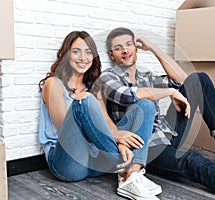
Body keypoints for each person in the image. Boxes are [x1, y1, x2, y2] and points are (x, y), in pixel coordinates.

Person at [93, 27, 215, 200]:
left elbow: (183, 80)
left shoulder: (145, 76)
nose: (125, 50)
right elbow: (129, 96)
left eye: (128, 44)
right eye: (118, 48)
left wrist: (155, 49)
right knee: (196, 163)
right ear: (111, 54)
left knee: (199, 79)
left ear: (136, 48)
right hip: (147, 147)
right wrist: (171, 92)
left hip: (168, 133)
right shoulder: (108, 77)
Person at [38, 30, 162, 200]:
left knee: (145, 105)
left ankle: (132, 175)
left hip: (97, 160)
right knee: (84, 101)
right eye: (76, 51)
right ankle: (125, 168)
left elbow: (106, 122)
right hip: (68, 162)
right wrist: (116, 140)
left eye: (88, 52)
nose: (83, 57)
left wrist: (118, 136)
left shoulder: (94, 88)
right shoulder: (54, 84)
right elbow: (63, 126)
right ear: (66, 55)